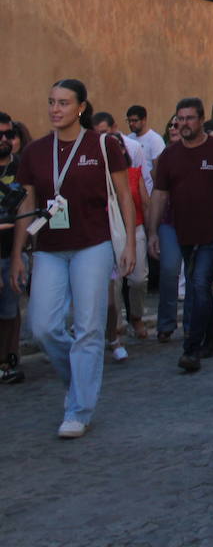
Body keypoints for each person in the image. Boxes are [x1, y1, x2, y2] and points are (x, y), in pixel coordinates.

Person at [9, 79, 136, 437]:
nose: (55, 109)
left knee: (88, 328)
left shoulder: (103, 145)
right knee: (43, 326)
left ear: (81, 107)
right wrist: (19, 254)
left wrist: (129, 245)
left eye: (63, 103)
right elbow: (27, 205)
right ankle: (78, 381)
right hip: (48, 247)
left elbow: (124, 196)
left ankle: (78, 409)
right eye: (51, 102)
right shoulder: (35, 152)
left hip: (93, 245)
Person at [147, 97, 213, 373]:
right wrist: (152, 232)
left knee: (199, 283)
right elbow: (160, 194)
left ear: (201, 120)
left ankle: (192, 348)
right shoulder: (169, 156)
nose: (183, 124)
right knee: (197, 284)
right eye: (179, 119)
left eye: (189, 118)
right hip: (183, 231)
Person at [93, 112, 150, 349]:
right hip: (107, 235)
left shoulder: (133, 172)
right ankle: (115, 330)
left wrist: (152, 231)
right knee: (113, 286)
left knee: (138, 280)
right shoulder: (94, 174)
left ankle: (135, 317)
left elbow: (144, 202)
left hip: (134, 230)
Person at [0, 112, 32, 384]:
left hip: (14, 252)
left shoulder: (22, 168)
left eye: (9, 134)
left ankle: (9, 359)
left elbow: (32, 209)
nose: (4, 139)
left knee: (11, 311)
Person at [124, 105, 164, 198]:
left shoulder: (155, 140)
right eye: (129, 121)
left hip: (149, 191)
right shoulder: (128, 139)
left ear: (144, 120)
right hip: (133, 192)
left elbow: (158, 169)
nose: (131, 124)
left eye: (134, 120)